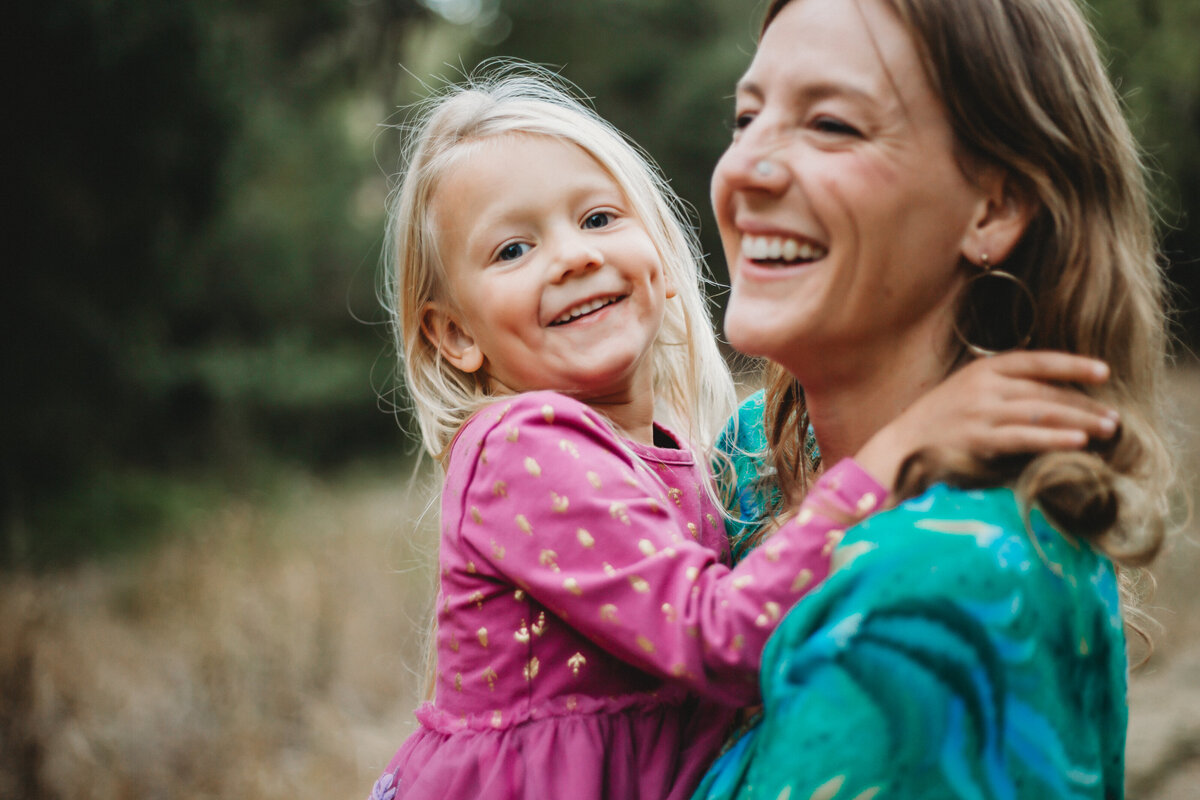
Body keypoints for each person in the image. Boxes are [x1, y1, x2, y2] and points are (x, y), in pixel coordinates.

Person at [369, 67, 1120, 800]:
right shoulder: (523, 444)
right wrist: (890, 459)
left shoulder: (690, 447)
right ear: (453, 336)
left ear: (660, 258)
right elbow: (717, 636)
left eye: (599, 218)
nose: (575, 255)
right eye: (512, 249)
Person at [694, 0, 1173, 798]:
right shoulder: (757, 461)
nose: (745, 168)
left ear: (993, 207)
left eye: (832, 126)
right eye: (746, 118)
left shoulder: (934, 593)